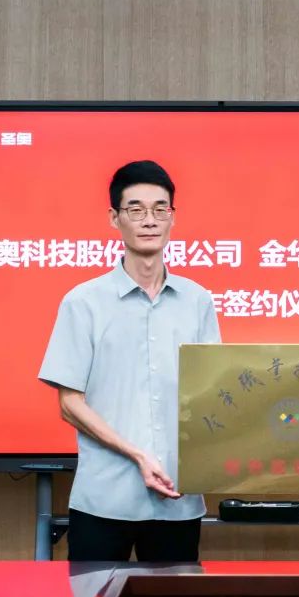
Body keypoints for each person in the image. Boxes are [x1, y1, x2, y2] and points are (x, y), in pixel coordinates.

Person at [39, 160, 220, 561]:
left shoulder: (198, 301)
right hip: (104, 500)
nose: (149, 220)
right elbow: (69, 403)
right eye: (136, 210)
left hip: (177, 498)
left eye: (160, 209)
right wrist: (137, 455)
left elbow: (211, 394)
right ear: (114, 218)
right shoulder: (83, 302)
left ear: (172, 218)